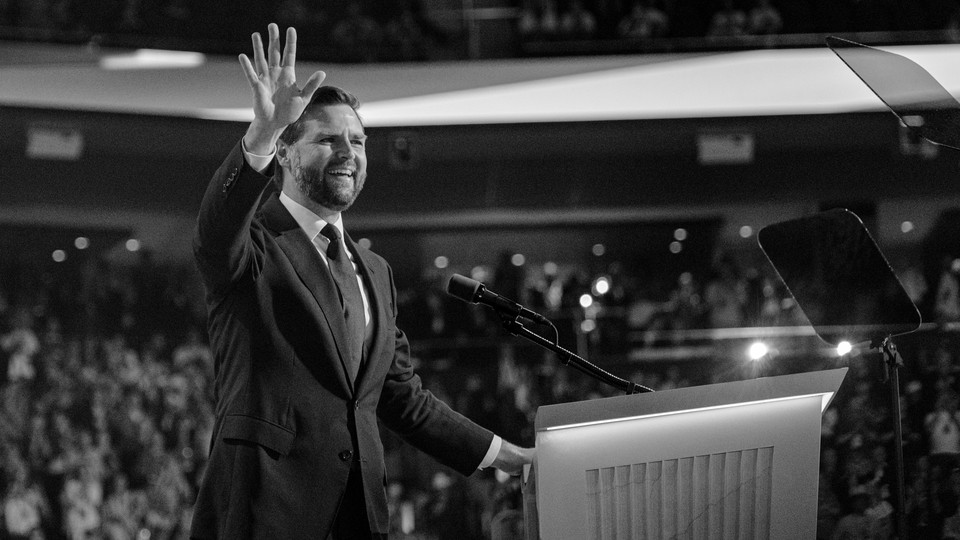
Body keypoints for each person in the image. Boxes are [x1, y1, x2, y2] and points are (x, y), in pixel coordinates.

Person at [189, 24, 534, 539]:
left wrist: (504, 455)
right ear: (284, 153)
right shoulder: (254, 245)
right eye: (328, 140)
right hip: (264, 512)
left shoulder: (375, 272)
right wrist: (260, 133)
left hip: (359, 517)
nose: (348, 152)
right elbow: (215, 234)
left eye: (358, 140)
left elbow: (399, 397)